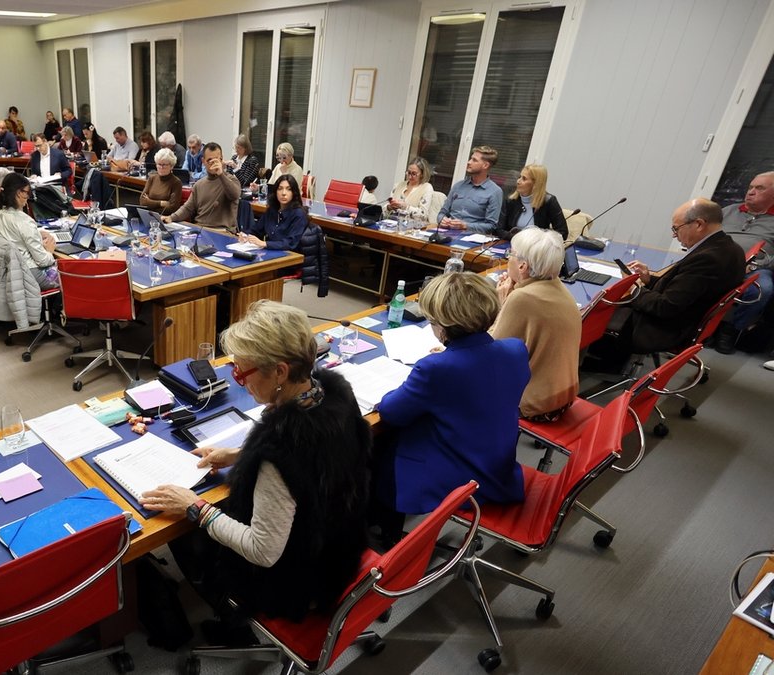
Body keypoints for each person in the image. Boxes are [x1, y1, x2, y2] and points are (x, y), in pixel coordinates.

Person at [140, 299, 370, 629]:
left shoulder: (279, 452)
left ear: (280, 371)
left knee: (178, 530)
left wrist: (194, 507)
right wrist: (239, 455)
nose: (238, 381)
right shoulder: (335, 395)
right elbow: (314, 462)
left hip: (296, 582)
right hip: (340, 546)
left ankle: (231, 618)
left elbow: (263, 551)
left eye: (241, 372)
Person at [372, 272, 529, 545]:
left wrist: (438, 365)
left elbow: (391, 412)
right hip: (499, 464)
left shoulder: (437, 368)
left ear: (443, 325)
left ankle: (387, 535)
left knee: (380, 447)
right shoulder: (515, 349)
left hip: (463, 478)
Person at [601, 199, 746, 357]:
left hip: (661, 329)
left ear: (699, 224)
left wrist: (633, 288)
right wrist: (649, 279)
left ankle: (604, 360)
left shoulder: (708, 258)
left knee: (594, 311)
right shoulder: (729, 247)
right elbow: (684, 289)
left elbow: (665, 306)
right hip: (683, 318)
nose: (673, 235)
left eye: (676, 228)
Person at [490, 229, 581, 420]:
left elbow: (489, 353)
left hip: (536, 404)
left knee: (454, 380)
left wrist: (501, 304)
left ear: (523, 266)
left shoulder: (522, 297)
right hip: (563, 395)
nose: (508, 258)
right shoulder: (557, 285)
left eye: (511, 254)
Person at [714, 171, 774, 354]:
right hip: (717, 262)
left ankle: (731, 329)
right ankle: (696, 324)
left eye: (759, 188)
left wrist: (758, 263)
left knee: (763, 289)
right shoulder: (728, 211)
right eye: (750, 187)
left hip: (755, 268)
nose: (751, 192)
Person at [0, 172, 58, 289]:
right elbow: (43, 261)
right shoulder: (25, 221)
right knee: (71, 274)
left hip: (11, 272)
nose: (28, 197)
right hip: (30, 275)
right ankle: (57, 305)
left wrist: (37, 236)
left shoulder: (0, 215)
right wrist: (49, 251)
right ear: (19, 193)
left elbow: (16, 239)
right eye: (27, 193)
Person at [164, 142, 241, 232]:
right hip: (199, 229)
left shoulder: (232, 180)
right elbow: (188, 208)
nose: (213, 164)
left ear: (221, 159)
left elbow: (234, 195)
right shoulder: (199, 184)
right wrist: (171, 217)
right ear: (203, 161)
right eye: (209, 160)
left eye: (216, 160)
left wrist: (221, 174)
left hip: (222, 231)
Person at [436, 146, 503, 233]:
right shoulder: (458, 186)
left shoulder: (495, 192)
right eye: (470, 159)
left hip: (470, 237)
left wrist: (465, 225)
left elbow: (491, 226)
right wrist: (442, 220)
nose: (469, 162)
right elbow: (442, 213)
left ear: (485, 165)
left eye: (474, 160)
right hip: (446, 232)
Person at [498, 164, 568, 239]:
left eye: (524, 179)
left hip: (536, 247)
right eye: (519, 177)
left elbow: (562, 233)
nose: (518, 181)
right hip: (511, 243)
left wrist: (539, 241)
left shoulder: (549, 201)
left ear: (536, 183)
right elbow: (499, 229)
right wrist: (517, 239)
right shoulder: (511, 200)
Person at [240, 174, 307, 251]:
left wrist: (264, 244)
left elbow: (290, 243)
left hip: (289, 256)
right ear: (275, 192)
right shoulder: (272, 210)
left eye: (289, 189)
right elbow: (257, 230)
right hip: (270, 252)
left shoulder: (298, 214)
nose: (284, 193)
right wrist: (245, 234)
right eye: (280, 189)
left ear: (294, 193)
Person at [139, 148, 183, 215]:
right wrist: (161, 203)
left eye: (164, 165)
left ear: (171, 166)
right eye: (159, 164)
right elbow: (142, 201)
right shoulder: (152, 178)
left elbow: (172, 208)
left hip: (164, 217)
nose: (161, 167)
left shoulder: (176, 182)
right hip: (148, 215)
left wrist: (149, 202)